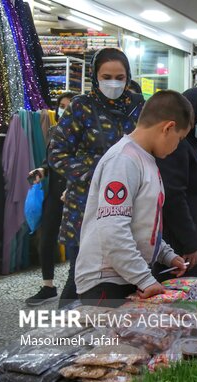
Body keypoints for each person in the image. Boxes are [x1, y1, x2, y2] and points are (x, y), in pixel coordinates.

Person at [74, 90, 192, 307]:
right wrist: (145, 279)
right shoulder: (123, 160)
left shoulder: (145, 159)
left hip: (126, 274)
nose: (177, 146)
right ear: (168, 128)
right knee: (109, 341)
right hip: (106, 281)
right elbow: (113, 229)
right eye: (180, 138)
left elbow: (145, 224)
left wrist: (166, 255)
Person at [49, 48, 144, 307]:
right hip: (85, 206)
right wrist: (95, 176)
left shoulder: (138, 108)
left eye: (120, 77)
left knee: (121, 278)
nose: (113, 83)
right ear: (95, 77)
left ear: (128, 77)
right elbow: (57, 153)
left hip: (126, 204)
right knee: (80, 279)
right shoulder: (81, 107)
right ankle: (62, 340)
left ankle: (111, 341)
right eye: (107, 76)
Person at [156, 88, 197, 277]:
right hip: (181, 239)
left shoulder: (194, 145)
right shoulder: (178, 145)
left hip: (196, 231)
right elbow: (173, 196)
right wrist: (190, 242)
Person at [25, 92, 77, 305]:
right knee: (46, 239)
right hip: (55, 195)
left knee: (75, 243)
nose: (64, 110)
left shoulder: (86, 134)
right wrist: (42, 170)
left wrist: (73, 187)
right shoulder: (55, 131)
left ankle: (75, 287)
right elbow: (51, 162)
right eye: (61, 106)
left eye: (69, 106)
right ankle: (48, 286)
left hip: (75, 195)